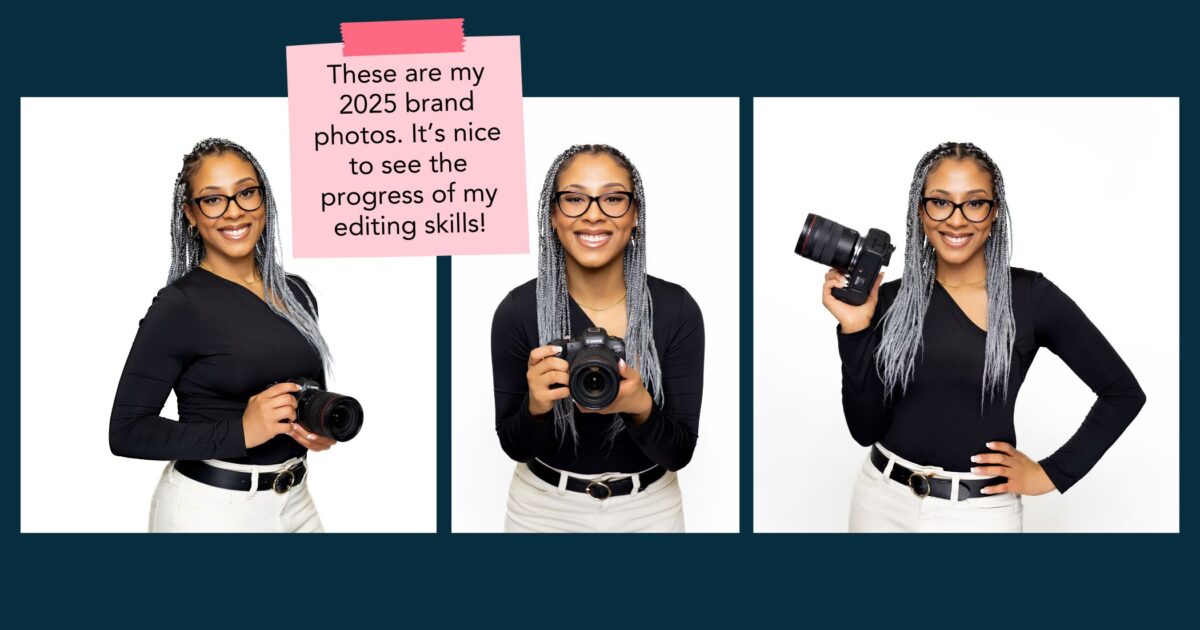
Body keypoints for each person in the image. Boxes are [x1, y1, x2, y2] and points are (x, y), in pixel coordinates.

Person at [826, 142, 1146, 532]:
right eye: (940, 202)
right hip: (880, 500)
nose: (956, 219)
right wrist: (855, 328)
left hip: (979, 514)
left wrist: (1051, 473)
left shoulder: (1029, 298)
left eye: (974, 203)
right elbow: (864, 430)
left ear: (994, 213)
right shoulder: (889, 300)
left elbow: (1122, 393)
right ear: (920, 212)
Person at [110, 138, 336, 533]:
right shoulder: (180, 305)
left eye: (246, 193)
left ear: (264, 199)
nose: (234, 211)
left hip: (296, 501)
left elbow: (307, 388)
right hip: (211, 509)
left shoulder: (296, 292)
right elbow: (127, 431)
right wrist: (241, 432)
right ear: (190, 214)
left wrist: (318, 427)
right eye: (213, 200)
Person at [491, 144, 705, 532]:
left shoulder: (676, 309)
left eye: (613, 198)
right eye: (574, 199)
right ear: (553, 215)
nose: (593, 214)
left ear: (635, 214)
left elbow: (679, 453)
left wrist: (640, 407)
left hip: (650, 511)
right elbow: (515, 447)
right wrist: (535, 408)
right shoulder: (518, 311)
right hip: (541, 511)